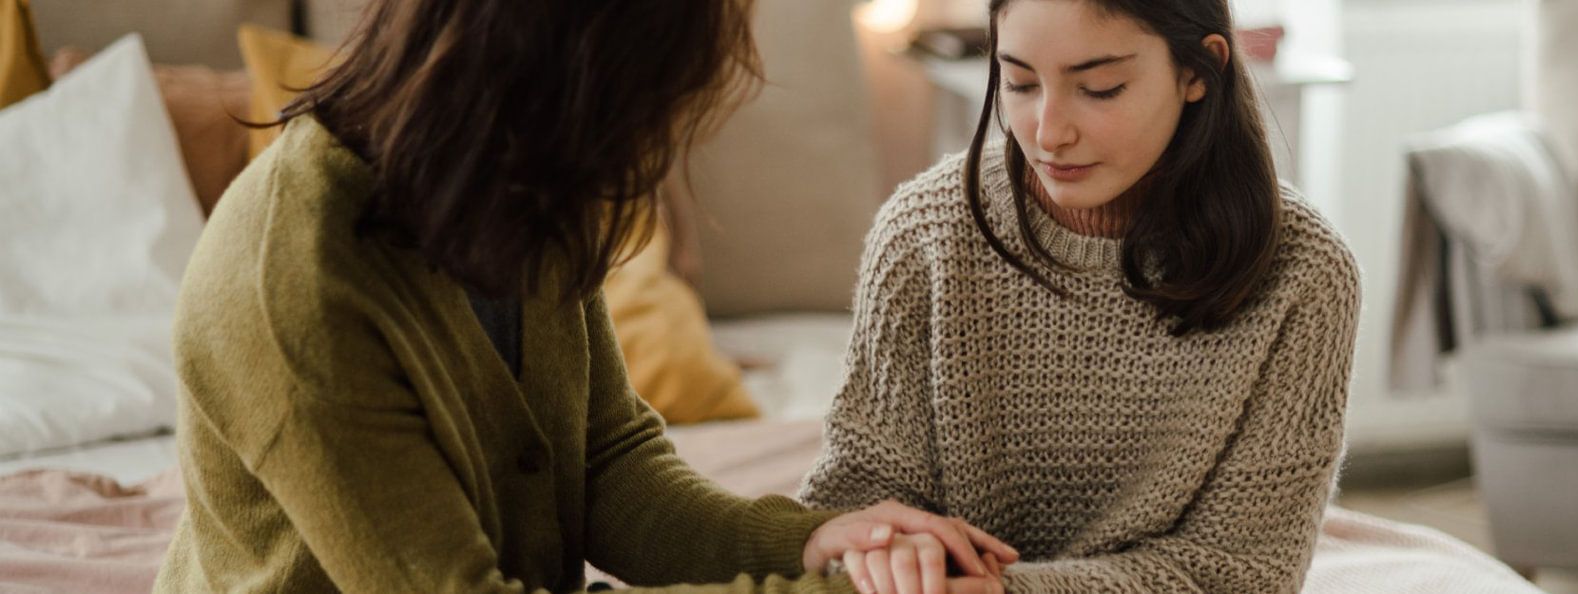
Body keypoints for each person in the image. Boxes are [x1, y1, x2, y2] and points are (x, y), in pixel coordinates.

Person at [152, 1, 1014, 592]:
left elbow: (607, 468)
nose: (649, 152)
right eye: (640, 112)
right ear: (555, 85)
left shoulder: (515, 193)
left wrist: (811, 542)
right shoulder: (294, 283)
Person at [799, 0, 1361, 592]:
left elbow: (1242, 572)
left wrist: (1010, 590)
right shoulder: (924, 234)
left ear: (1199, 71)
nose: (1048, 132)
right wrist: (891, 547)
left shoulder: (1305, 273)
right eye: (1017, 82)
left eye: (1099, 88)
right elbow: (851, 503)